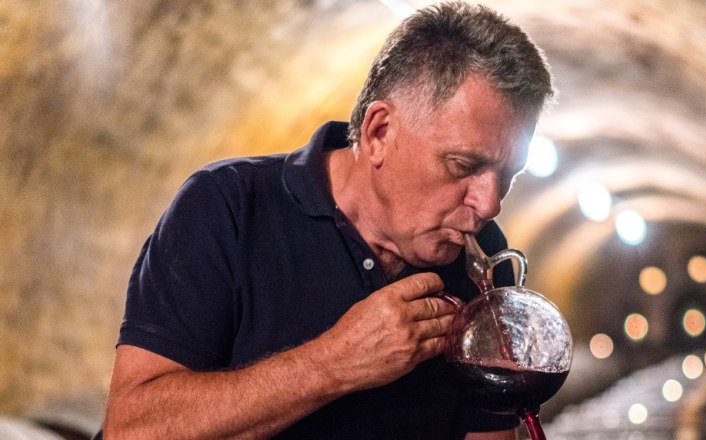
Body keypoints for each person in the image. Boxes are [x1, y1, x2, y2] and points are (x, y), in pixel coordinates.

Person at [99, 1, 554, 438]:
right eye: (462, 165)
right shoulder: (228, 207)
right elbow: (134, 428)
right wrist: (332, 364)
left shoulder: (486, 253)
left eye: (508, 175)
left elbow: (487, 428)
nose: (490, 203)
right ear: (379, 133)